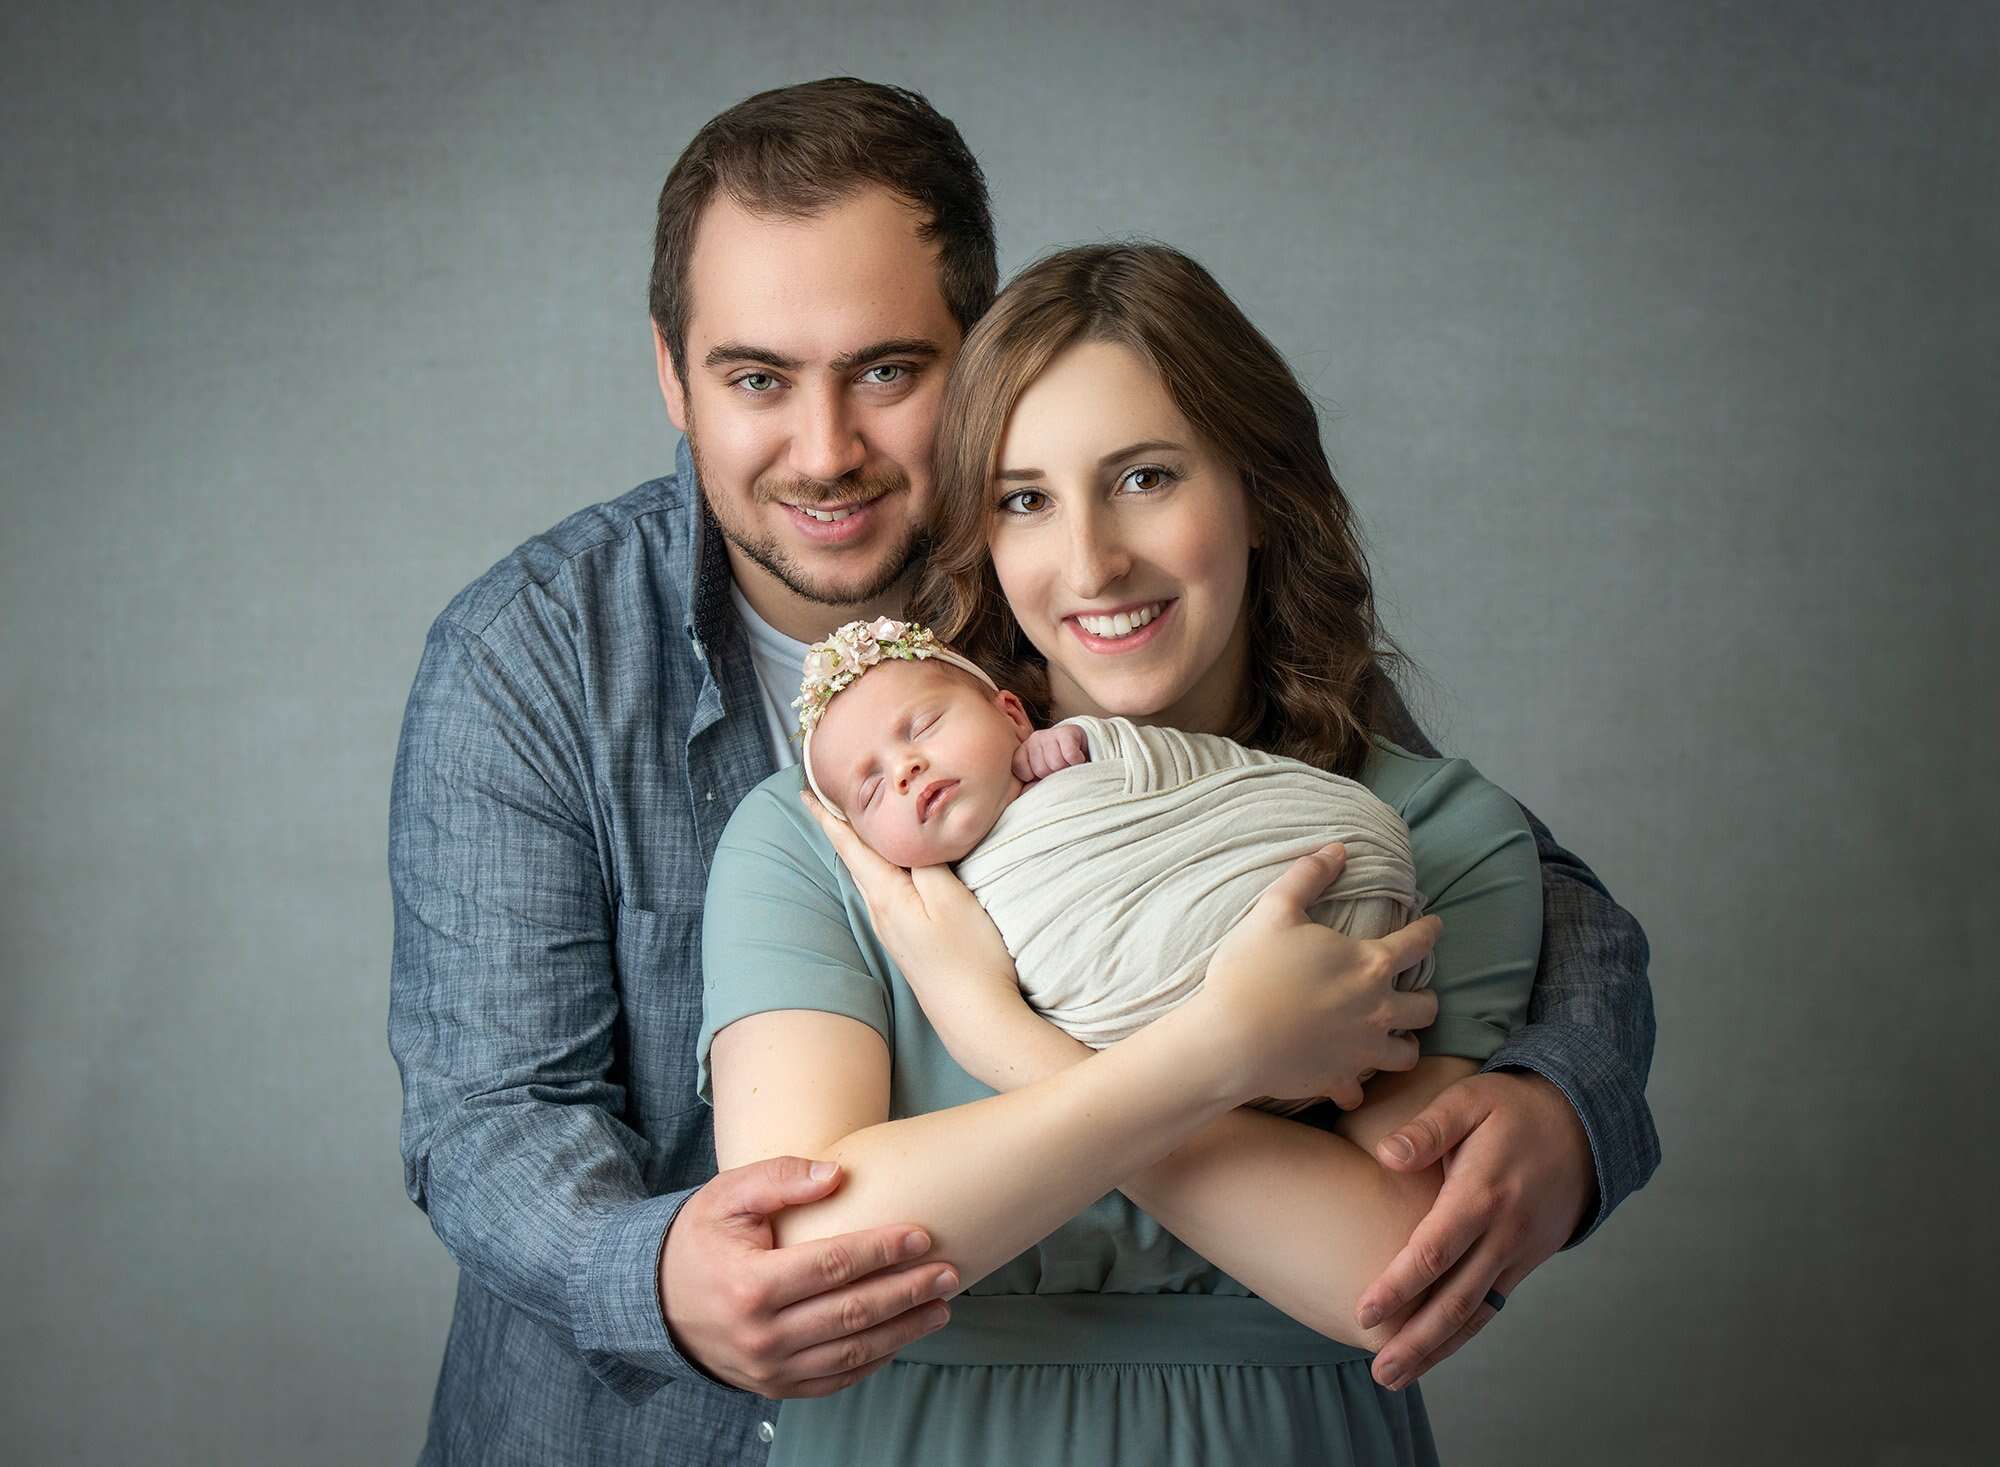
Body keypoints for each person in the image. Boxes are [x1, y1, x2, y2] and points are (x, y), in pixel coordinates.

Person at [387, 78, 1657, 1466]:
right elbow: (496, 1118)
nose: (826, 451)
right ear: (672, 376)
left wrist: (1569, 1091)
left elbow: (1469, 852)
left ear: (979, 359)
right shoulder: (541, 660)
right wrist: (653, 1276)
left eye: (887, 371)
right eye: (756, 378)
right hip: (639, 1424)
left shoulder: (1130, 646)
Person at [698, 242, 1551, 1463]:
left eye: (1145, 478)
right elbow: (802, 1257)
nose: (1091, 562)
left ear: (1260, 491)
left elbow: (1386, 1270)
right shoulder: (825, 836)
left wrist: (996, 1033)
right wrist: (1214, 1055)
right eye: (1023, 500)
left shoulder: (1439, 835)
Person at [792, 615, 1437, 1084]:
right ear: (869, 845)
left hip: (1313, 889)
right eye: (871, 789)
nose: (905, 769)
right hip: (1176, 1030)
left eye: (925, 726)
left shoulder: (1075, 756)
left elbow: (1197, 770)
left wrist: (1086, 741)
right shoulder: (939, 913)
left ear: (1011, 714)